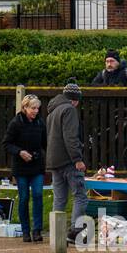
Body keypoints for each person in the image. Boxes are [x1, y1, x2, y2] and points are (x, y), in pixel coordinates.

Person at [47, 80, 87, 242]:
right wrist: (77, 159)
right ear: (75, 99)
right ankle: (76, 232)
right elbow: (70, 137)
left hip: (53, 160)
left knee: (59, 198)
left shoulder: (52, 110)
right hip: (68, 160)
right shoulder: (69, 110)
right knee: (80, 195)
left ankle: (56, 233)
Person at [3, 94, 46, 242]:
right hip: (21, 167)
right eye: (33, 108)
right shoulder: (15, 123)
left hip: (37, 165)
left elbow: (45, 143)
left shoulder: (40, 123)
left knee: (38, 195)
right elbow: (6, 143)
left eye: (37, 108)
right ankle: (25, 230)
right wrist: (20, 152)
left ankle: (37, 230)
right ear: (25, 107)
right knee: (24, 198)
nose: (35, 111)